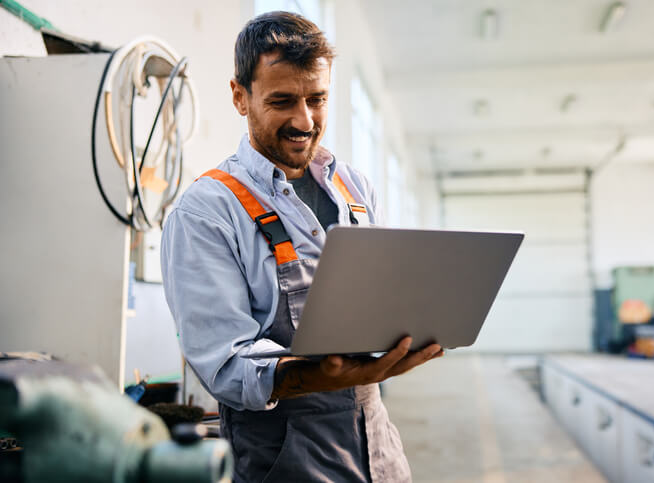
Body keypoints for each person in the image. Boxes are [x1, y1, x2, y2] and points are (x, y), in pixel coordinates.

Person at [160, 11, 443, 483]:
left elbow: (384, 298)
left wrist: (411, 333)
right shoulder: (207, 211)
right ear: (239, 97)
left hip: (377, 448)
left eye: (317, 99)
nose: (304, 120)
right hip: (281, 456)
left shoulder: (353, 187)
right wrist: (321, 376)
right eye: (283, 101)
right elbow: (226, 366)